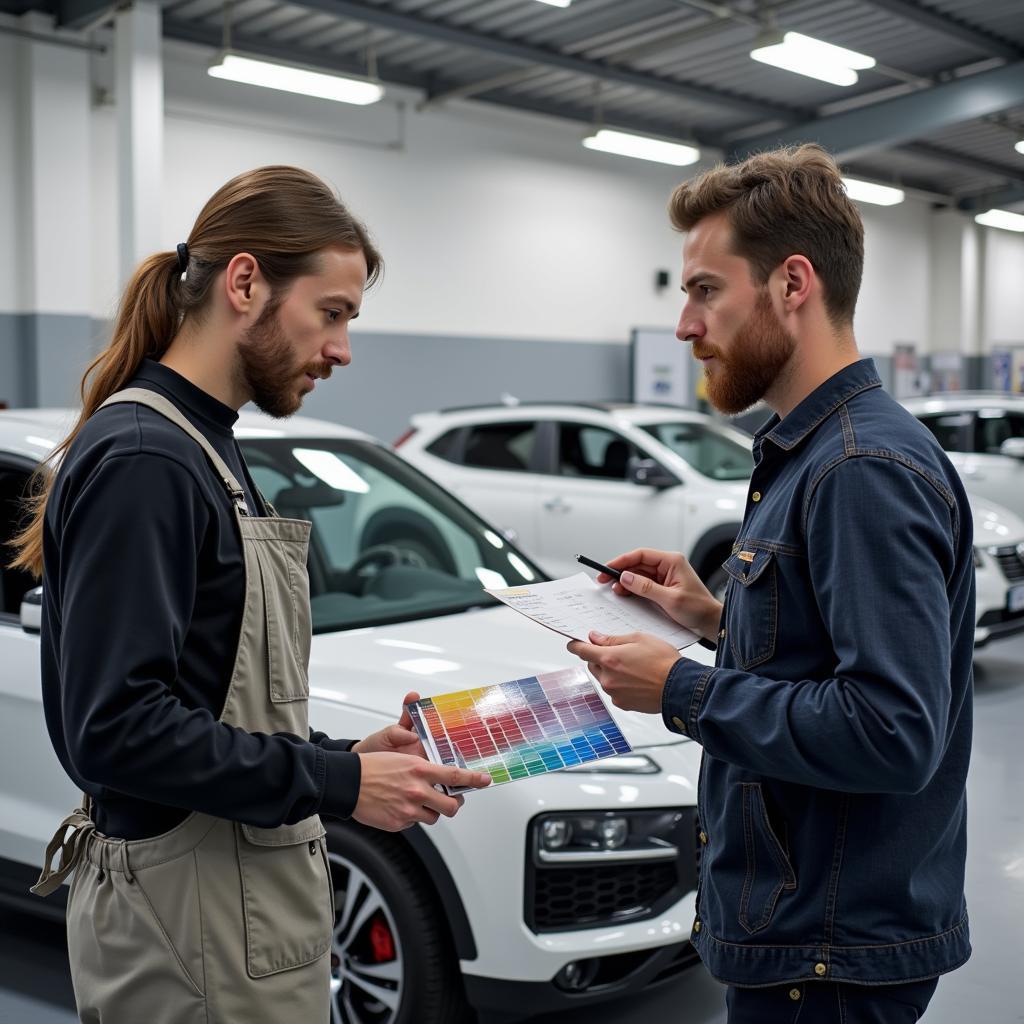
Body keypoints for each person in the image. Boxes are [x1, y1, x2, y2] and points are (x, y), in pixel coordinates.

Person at [10, 165, 491, 1023]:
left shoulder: (206, 446)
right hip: (185, 924)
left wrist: (348, 753)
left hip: (232, 907)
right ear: (244, 282)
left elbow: (207, 692)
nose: (342, 349)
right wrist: (338, 784)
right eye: (332, 313)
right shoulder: (147, 460)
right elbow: (115, 730)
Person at [567, 145, 973, 1023]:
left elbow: (895, 732)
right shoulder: (817, 451)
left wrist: (682, 688)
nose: (684, 325)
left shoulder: (859, 469)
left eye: (706, 290)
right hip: (814, 934)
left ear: (794, 284)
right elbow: (828, 649)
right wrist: (712, 618)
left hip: (828, 955)